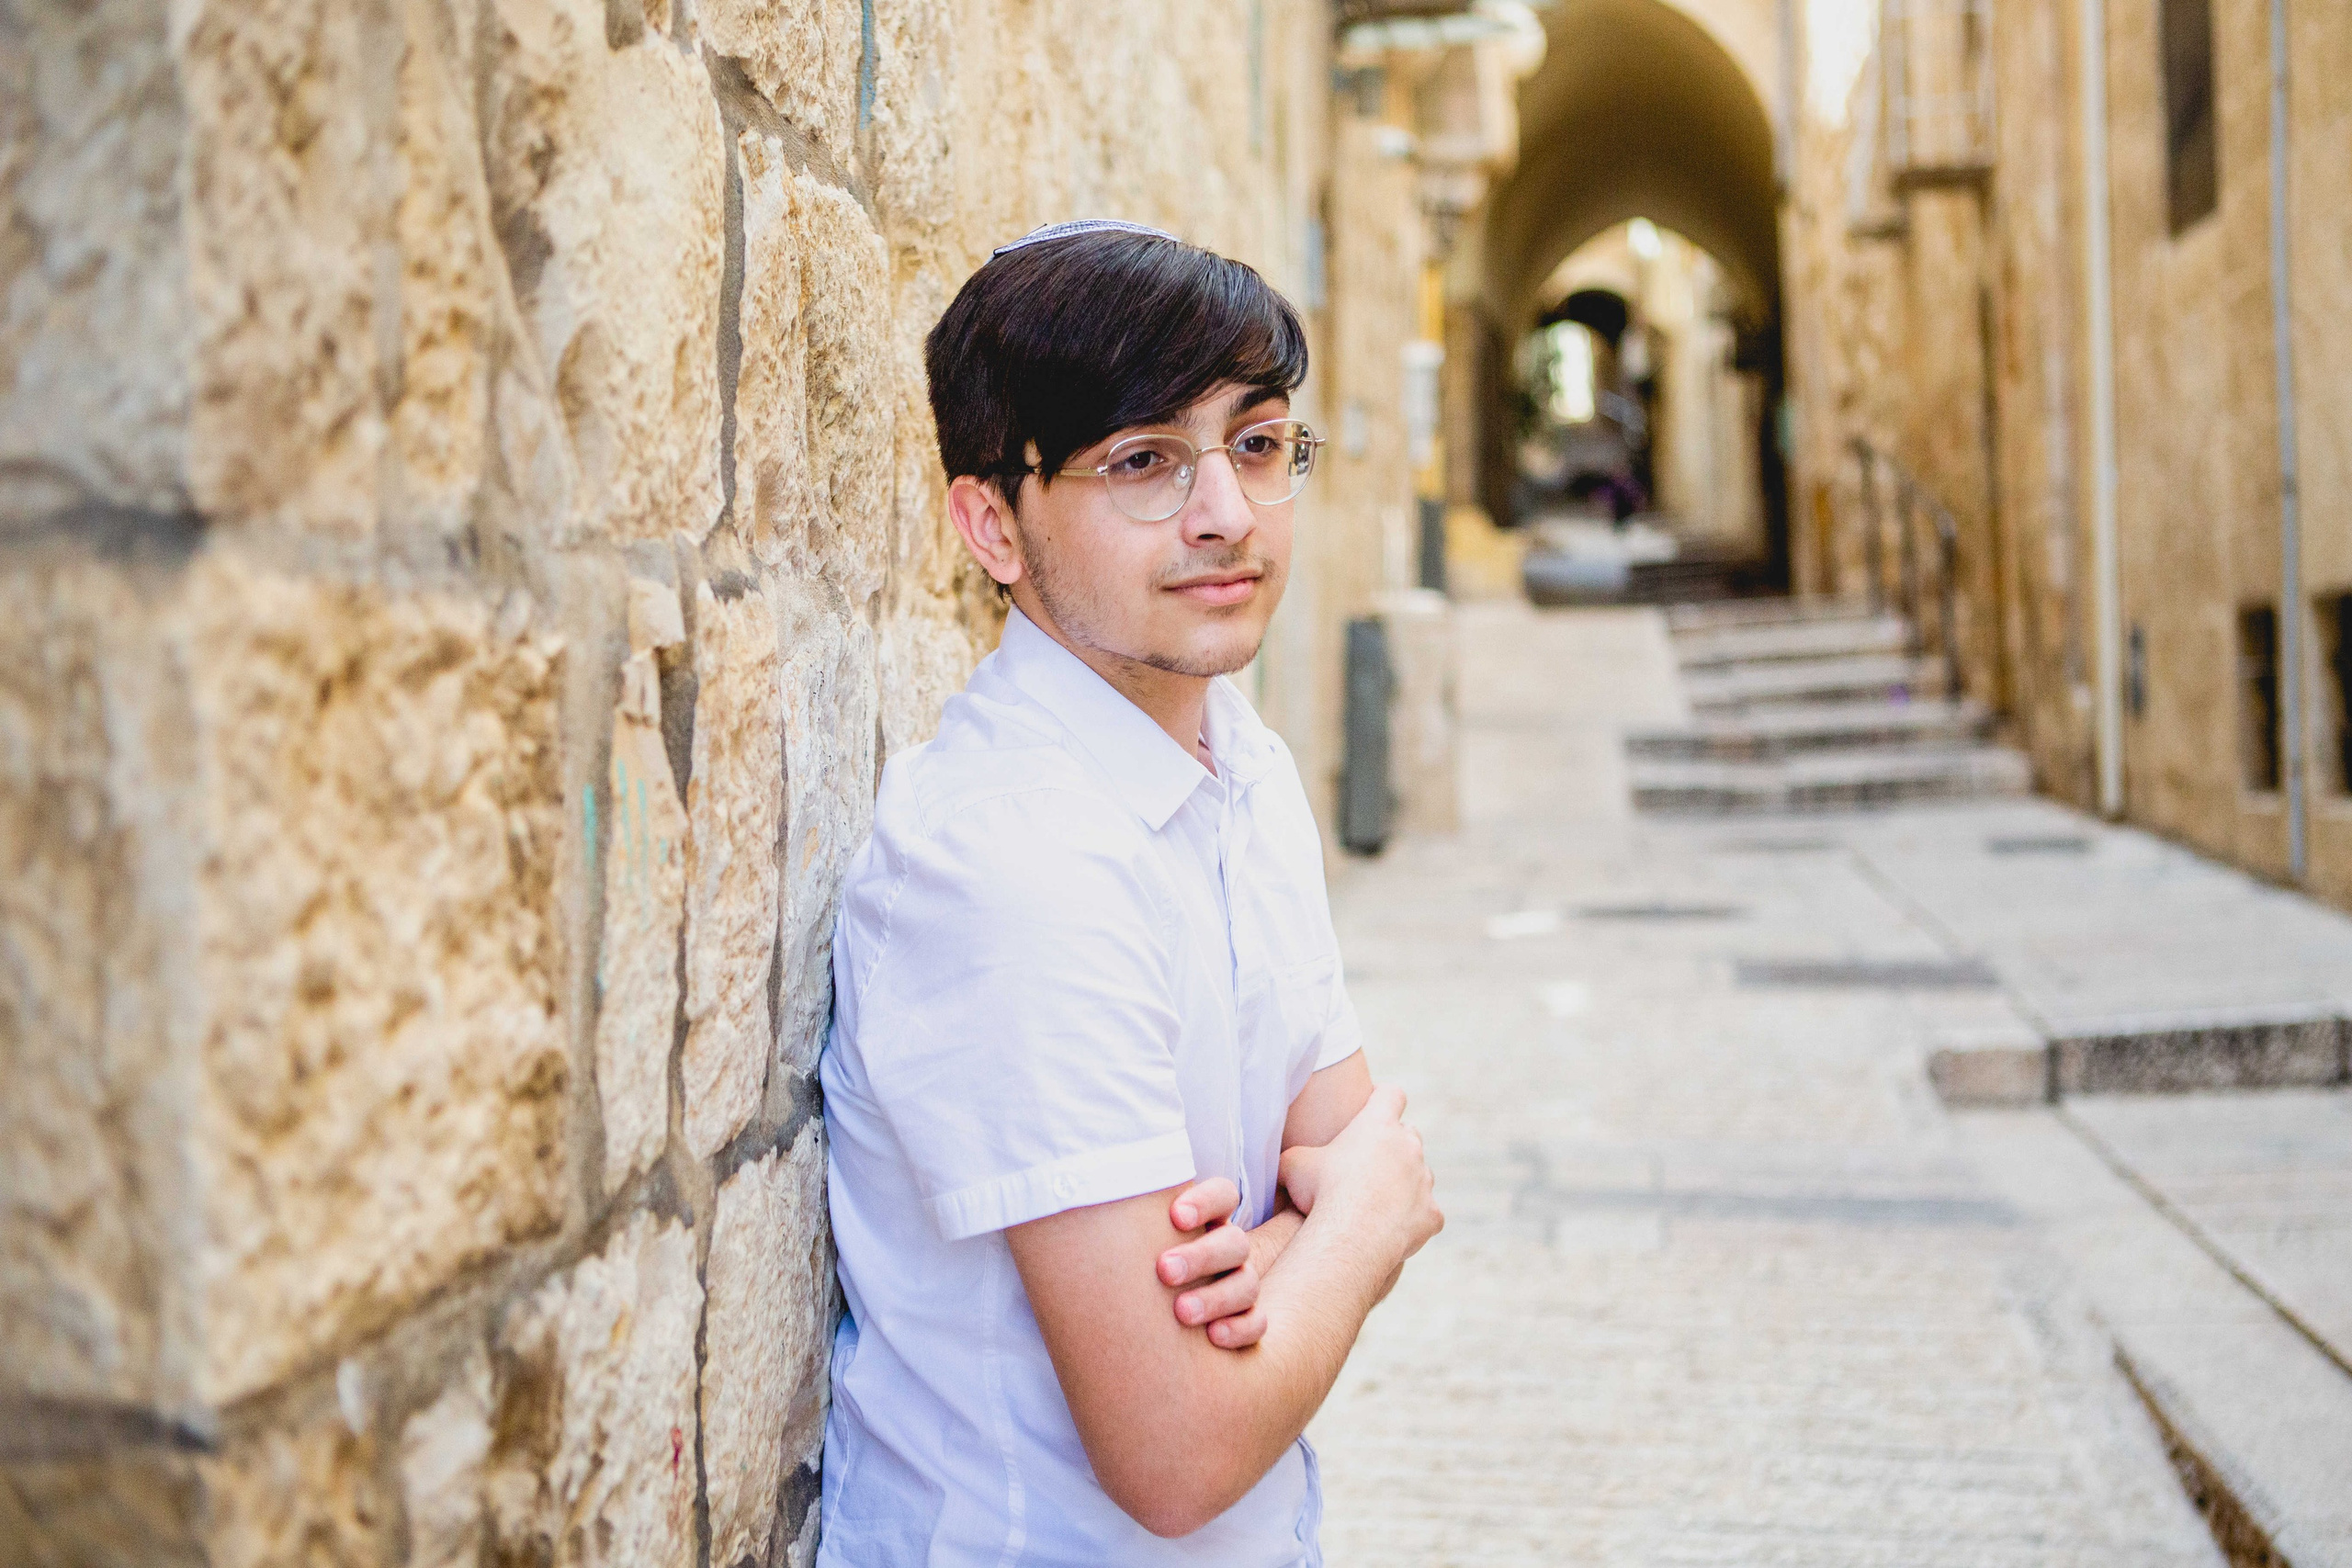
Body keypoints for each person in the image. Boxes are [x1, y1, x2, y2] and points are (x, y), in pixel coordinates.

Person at [816, 220, 1443, 1566]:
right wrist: (1354, 1226)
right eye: (1145, 461)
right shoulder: (1012, 866)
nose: (1228, 514)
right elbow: (1176, 1447)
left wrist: (1301, 1236)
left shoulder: (1242, 763)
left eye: (1257, 445)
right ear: (992, 522)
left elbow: (1343, 1135)